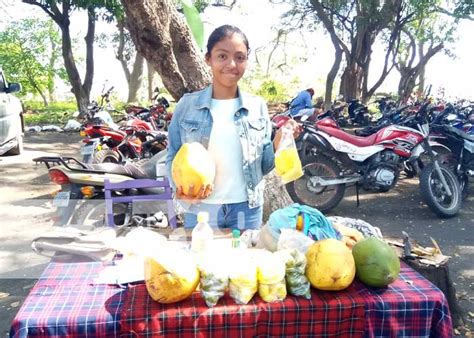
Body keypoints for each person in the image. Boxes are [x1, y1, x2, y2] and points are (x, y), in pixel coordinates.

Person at [166, 25, 299, 230]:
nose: (231, 64)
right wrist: (179, 188)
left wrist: (278, 141)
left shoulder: (257, 107)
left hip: (246, 209)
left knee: (244, 262)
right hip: (200, 209)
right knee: (201, 261)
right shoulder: (187, 105)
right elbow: (173, 153)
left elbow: (263, 166)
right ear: (208, 59)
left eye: (240, 57)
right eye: (222, 56)